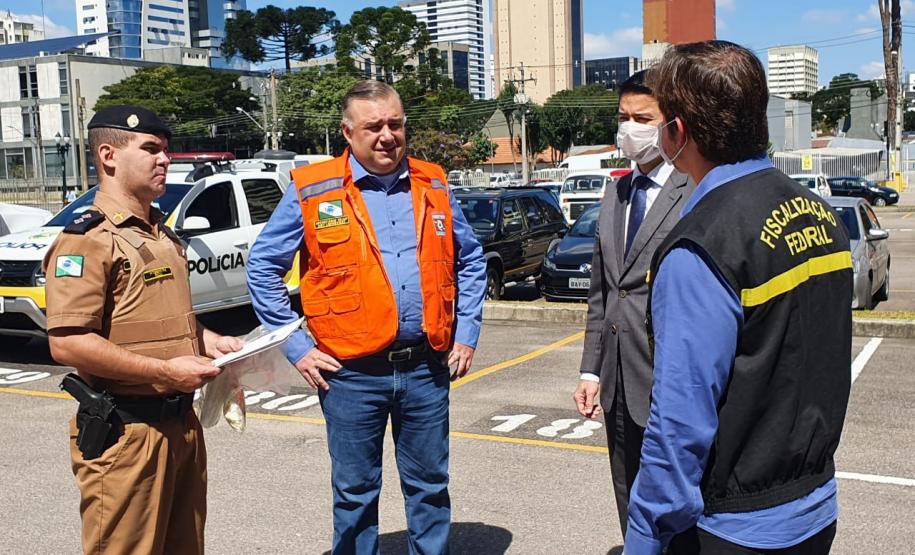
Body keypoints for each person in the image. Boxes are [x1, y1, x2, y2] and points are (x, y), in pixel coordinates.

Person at [624, 41, 852, 554]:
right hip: (815, 506)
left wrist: (644, 535)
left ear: (677, 132)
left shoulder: (701, 246)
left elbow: (678, 425)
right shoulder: (820, 214)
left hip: (733, 524)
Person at [246, 80, 486, 554]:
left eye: (395, 124)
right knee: (355, 494)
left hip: (425, 368)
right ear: (347, 132)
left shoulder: (433, 182)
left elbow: (471, 258)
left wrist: (467, 334)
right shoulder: (313, 188)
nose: (387, 135)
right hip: (350, 374)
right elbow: (263, 268)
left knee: (430, 488)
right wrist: (297, 348)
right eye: (373, 126)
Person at [44, 105, 243, 555]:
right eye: (151, 149)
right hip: (127, 433)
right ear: (109, 156)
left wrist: (210, 342)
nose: (165, 160)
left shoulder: (162, 234)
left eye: (166, 151)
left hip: (181, 427)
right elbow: (67, 341)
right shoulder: (87, 239)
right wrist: (166, 372)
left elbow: (165, 318)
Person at [572, 70, 695, 536]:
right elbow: (603, 292)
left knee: (678, 504)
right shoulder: (615, 191)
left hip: (670, 381)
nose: (629, 128)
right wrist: (590, 370)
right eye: (623, 117)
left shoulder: (693, 191)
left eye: (642, 118)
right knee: (627, 494)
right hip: (617, 382)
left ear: (672, 126)